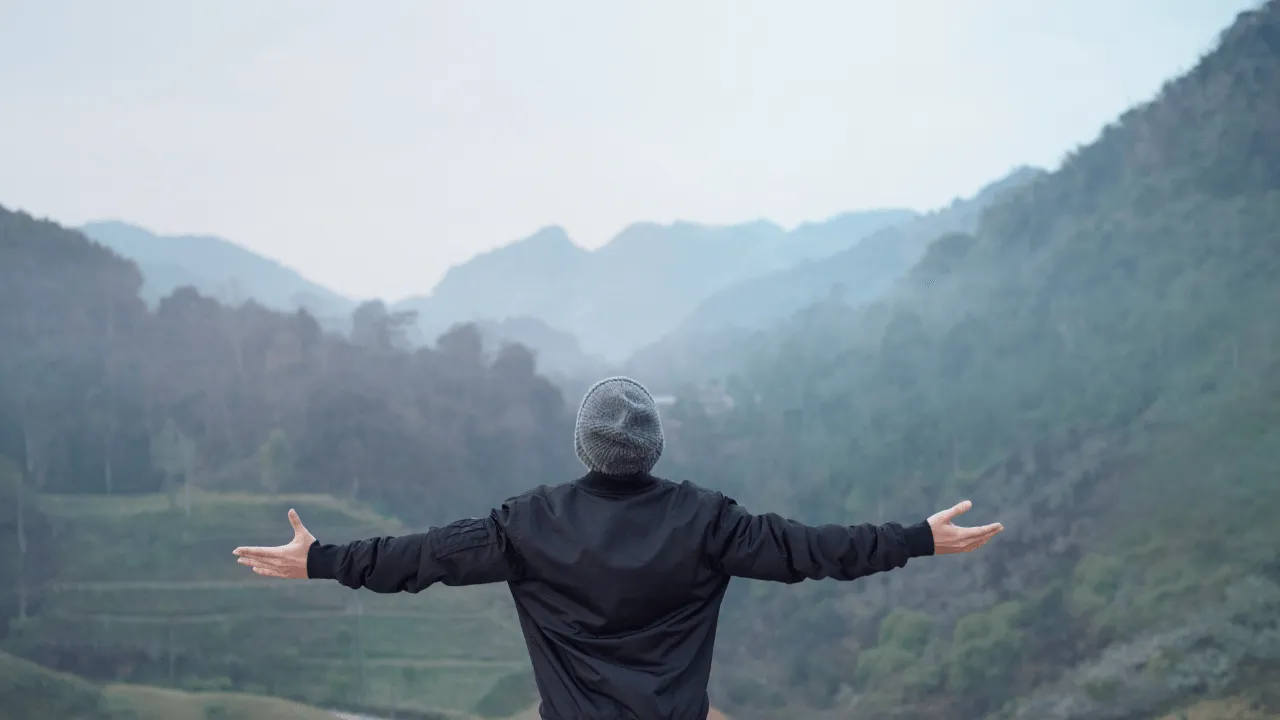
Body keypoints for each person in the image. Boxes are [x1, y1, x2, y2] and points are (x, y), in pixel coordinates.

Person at [234, 376, 1003, 720]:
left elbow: (420, 560)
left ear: (583, 446)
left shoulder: (527, 523)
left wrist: (320, 558)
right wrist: (918, 539)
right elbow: (813, 550)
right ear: (655, 448)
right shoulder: (708, 520)